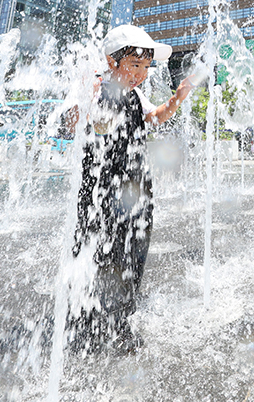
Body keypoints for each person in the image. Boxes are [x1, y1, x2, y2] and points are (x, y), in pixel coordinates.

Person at [68, 24, 195, 354]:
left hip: (137, 184)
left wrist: (176, 100)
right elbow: (78, 124)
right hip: (101, 187)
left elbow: (154, 117)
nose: (141, 74)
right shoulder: (96, 87)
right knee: (101, 246)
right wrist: (88, 102)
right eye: (134, 65)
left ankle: (121, 315)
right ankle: (89, 315)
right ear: (113, 61)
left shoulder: (136, 94)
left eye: (145, 67)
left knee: (134, 247)